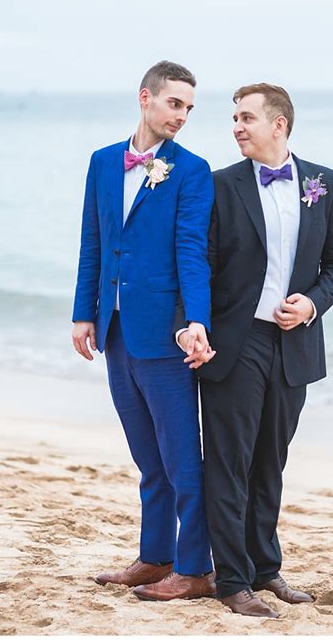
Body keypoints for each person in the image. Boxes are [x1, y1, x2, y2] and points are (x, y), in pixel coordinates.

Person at [175, 83, 333, 617]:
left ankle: (263, 568)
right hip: (235, 342)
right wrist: (194, 324)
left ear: (279, 125)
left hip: (294, 342)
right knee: (229, 463)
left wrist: (312, 305)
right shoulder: (220, 185)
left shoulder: (324, 182)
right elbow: (200, 262)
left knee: (270, 461)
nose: (236, 126)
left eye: (246, 117)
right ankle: (231, 581)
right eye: (234, 117)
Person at [71, 61, 216, 601]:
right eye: (174, 103)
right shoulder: (103, 162)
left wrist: (195, 322)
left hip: (164, 335)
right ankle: (155, 557)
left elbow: (192, 255)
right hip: (115, 332)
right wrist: (83, 311)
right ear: (145, 98)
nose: (182, 115)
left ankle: (195, 567)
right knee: (146, 458)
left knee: (182, 460)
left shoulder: (192, 170)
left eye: (189, 108)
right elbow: (93, 240)